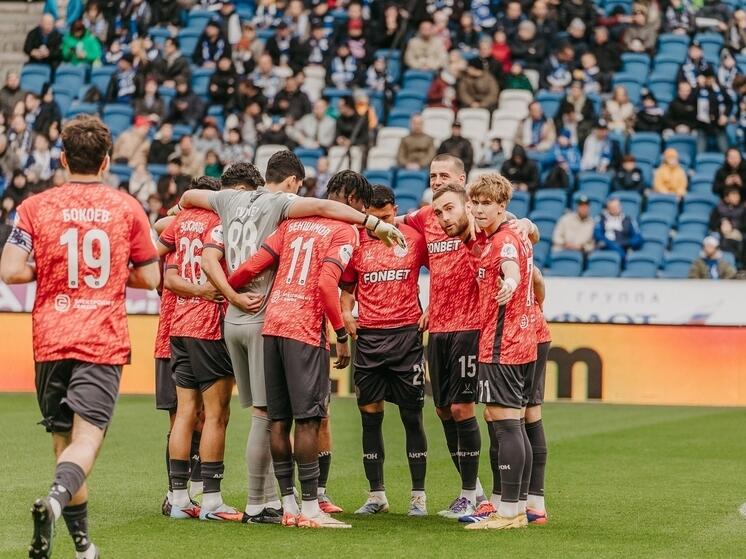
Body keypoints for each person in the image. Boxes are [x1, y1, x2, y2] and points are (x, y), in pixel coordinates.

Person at [176, 157, 405, 522]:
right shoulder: (288, 209)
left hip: (236, 317)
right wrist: (373, 224)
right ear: (293, 181)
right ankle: (268, 501)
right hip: (272, 317)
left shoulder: (232, 203)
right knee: (274, 416)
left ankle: (267, 499)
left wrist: (227, 293)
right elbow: (325, 254)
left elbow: (198, 213)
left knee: (253, 415)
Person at [0, 115, 159, 558]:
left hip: (51, 338)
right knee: (86, 442)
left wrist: (54, 269)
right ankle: (54, 503)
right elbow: (151, 277)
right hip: (100, 338)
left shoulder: (35, 206)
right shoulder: (126, 207)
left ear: (63, 158)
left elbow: (10, 270)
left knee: (64, 447)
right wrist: (108, 273)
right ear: (106, 161)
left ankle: (84, 548)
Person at [225, 172, 389, 529]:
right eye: (362, 207)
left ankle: (288, 504)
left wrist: (227, 290)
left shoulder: (291, 223)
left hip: (272, 325)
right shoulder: (344, 230)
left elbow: (252, 266)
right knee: (309, 419)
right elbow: (327, 284)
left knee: (278, 419)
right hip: (303, 329)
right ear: (354, 202)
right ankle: (312, 507)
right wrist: (341, 335)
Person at [340, 185, 429, 516]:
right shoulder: (357, 242)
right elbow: (347, 288)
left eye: (387, 217)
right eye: (375, 218)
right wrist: (346, 312)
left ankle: (418, 496)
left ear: (396, 210)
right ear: (366, 214)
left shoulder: (413, 239)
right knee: (370, 416)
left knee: (411, 416)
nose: (382, 224)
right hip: (369, 339)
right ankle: (376, 495)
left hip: (406, 336)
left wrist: (434, 306)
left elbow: (443, 270)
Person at [462, 172, 536, 531]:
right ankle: (517, 507)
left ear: (502, 205)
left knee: (505, 423)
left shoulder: (504, 240)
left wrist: (510, 282)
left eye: (486, 203)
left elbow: (511, 269)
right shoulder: (510, 233)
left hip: (502, 343)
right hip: (520, 340)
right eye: (474, 202)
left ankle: (507, 512)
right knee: (514, 423)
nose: (478, 209)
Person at [524, 267, 551, 524]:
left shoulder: (505, 246)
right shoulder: (522, 247)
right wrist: (538, 304)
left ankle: (511, 500)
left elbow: (537, 277)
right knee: (531, 411)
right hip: (535, 330)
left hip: (520, 335)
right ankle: (535, 502)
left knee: (509, 414)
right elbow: (538, 279)